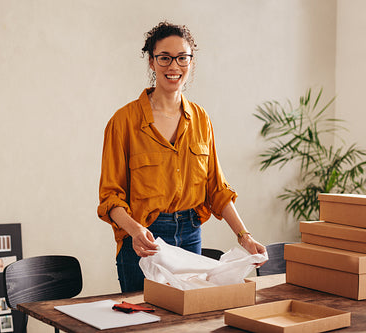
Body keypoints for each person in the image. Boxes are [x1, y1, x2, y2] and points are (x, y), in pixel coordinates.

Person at [98, 21, 266, 292]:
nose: (173, 66)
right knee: (144, 324)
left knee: (187, 322)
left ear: (191, 62)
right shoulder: (123, 121)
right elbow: (110, 198)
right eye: (164, 58)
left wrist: (244, 237)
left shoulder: (201, 119)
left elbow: (217, 189)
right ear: (152, 62)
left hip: (190, 235)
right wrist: (134, 230)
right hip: (145, 240)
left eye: (181, 58)